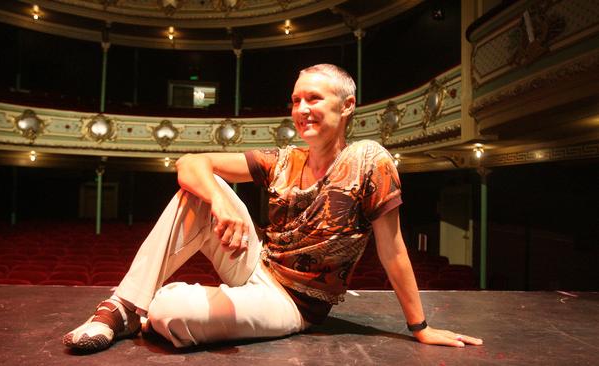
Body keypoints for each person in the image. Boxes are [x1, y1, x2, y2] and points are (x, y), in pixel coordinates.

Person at [63, 64, 483, 352]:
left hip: (293, 304)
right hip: (257, 266)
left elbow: (392, 250)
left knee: (171, 311)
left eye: (314, 99)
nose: (301, 110)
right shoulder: (283, 159)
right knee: (198, 189)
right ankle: (118, 309)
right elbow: (189, 163)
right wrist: (219, 202)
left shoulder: (371, 160)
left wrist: (420, 328)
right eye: (296, 100)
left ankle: (152, 305)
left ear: (347, 105)